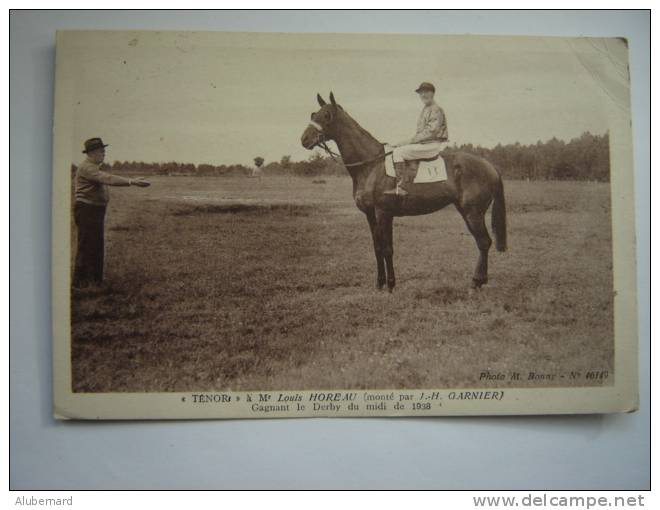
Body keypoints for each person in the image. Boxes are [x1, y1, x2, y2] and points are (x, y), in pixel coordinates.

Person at [72, 137, 150, 287]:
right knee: (86, 245)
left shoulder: (92, 167)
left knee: (96, 245)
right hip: (87, 210)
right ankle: (79, 283)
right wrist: (131, 181)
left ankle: (95, 281)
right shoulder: (87, 168)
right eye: (102, 151)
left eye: (104, 151)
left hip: (94, 210)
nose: (104, 154)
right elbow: (108, 178)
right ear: (92, 153)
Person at [385, 82, 449, 196]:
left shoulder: (436, 109)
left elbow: (431, 132)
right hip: (425, 143)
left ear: (432, 93)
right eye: (421, 93)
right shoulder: (426, 108)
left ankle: (401, 186)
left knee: (398, 152)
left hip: (431, 144)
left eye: (426, 92)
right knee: (399, 148)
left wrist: (408, 141)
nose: (423, 95)